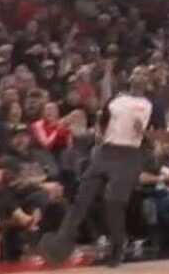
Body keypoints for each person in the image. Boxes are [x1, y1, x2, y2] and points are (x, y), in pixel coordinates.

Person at [40, 66, 157, 267]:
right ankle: (61, 243)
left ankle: (117, 248)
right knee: (81, 197)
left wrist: (144, 134)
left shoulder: (149, 105)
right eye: (137, 72)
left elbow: (156, 137)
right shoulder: (117, 99)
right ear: (130, 76)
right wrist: (98, 137)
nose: (140, 76)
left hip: (129, 153)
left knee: (114, 202)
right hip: (105, 151)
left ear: (149, 81)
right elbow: (101, 120)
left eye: (144, 74)